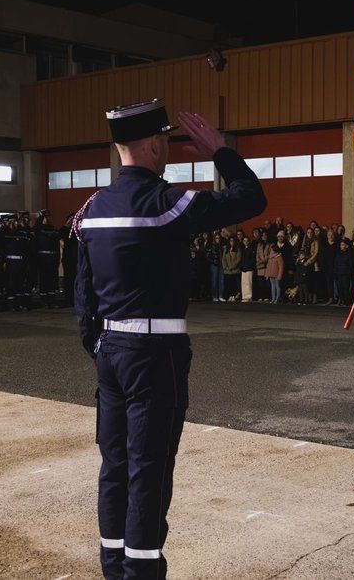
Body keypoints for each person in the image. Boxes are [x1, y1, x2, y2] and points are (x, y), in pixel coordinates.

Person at [74, 100, 265, 578]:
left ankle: (113, 565)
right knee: (150, 467)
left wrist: (97, 344)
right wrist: (222, 152)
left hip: (111, 351)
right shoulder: (165, 204)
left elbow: (81, 288)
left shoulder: (92, 208)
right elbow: (249, 199)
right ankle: (141, 572)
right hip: (153, 354)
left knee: (114, 464)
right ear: (154, 144)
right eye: (165, 140)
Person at [239, 235, 257, 302]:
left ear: (249, 241)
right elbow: (241, 259)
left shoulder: (251, 249)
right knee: (243, 283)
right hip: (243, 269)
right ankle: (244, 296)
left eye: (247, 241)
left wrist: (247, 266)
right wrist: (242, 266)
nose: (246, 242)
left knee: (249, 283)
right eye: (244, 241)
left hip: (249, 269)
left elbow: (252, 260)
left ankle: (249, 296)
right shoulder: (242, 249)